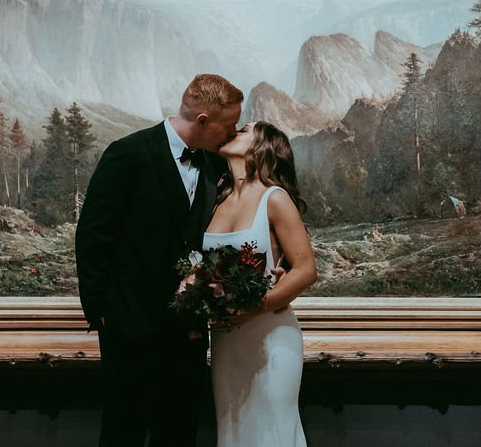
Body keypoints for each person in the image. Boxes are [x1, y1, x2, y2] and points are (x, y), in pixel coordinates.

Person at [75, 73, 244, 446]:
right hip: (130, 325)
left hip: (188, 331)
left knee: (179, 431)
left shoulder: (215, 166)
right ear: (203, 121)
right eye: (227, 125)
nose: (230, 134)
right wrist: (102, 310)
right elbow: (93, 235)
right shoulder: (128, 154)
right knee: (124, 430)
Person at [203, 120, 318, 447]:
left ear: (262, 146)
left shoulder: (274, 198)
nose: (234, 130)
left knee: (271, 435)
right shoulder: (219, 201)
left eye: (245, 129)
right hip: (226, 343)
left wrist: (255, 306)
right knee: (235, 434)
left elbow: (306, 269)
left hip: (270, 338)